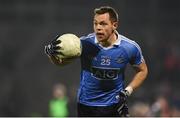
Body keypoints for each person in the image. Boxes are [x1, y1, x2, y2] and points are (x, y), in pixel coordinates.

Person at [44, 6, 148, 117]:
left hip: (114, 105)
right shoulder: (83, 44)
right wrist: (52, 55)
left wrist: (127, 91)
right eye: (95, 23)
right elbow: (61, 63)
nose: (98, 28)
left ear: (114, 25)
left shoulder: (129, 47)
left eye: (103, 24)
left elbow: (143, 70)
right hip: (86, 105)